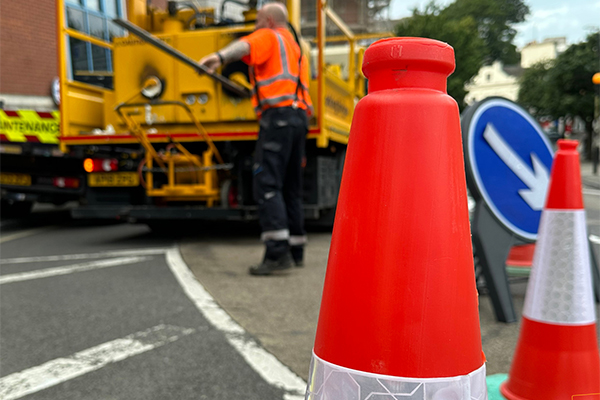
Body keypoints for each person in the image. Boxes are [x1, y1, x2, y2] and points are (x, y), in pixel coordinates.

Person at [198, 2, 312, 275]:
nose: (255, 25)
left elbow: (245, 46)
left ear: (270, 21)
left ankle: (276, 254)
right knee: (291, 187)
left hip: (278, 119)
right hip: (298, 120)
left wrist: (219, 57)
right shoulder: (295, 47)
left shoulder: (269, 36)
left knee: (268, 184)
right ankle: (296, 249)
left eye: (258, 20)